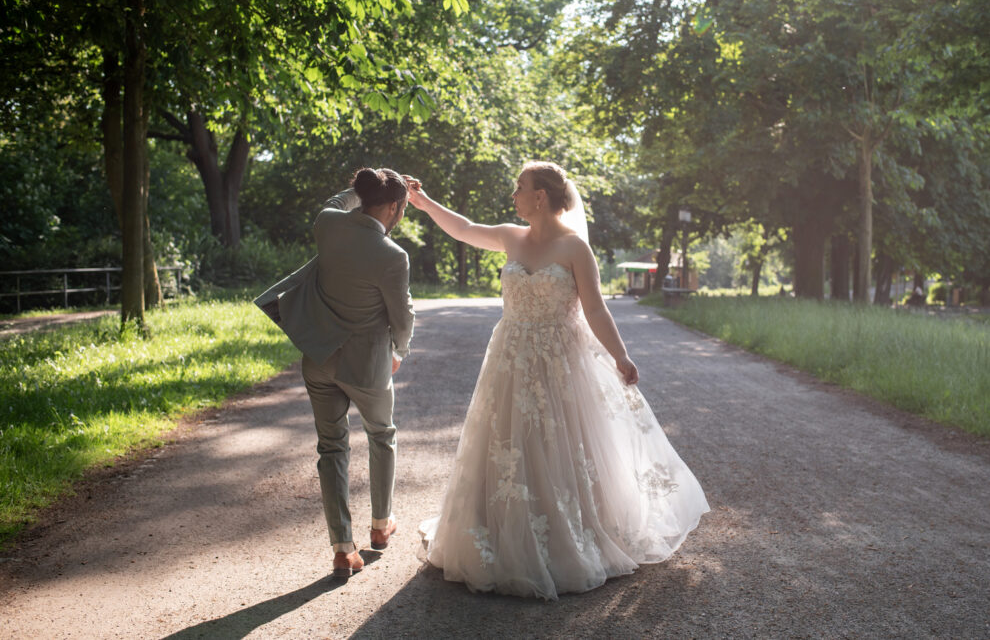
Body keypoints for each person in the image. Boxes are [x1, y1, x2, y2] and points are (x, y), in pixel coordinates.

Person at [410, 162, 709, 600]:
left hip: (559, 361)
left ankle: (569, 537)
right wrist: (422, 201)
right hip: (510, 357)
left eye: (520, 187)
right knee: (508, 442)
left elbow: (596, 310)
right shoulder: (511, 236)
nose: (513, 194)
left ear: (541, 197)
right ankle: (499, 531)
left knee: (557, 445)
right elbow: (464, 228)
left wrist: (620, 355)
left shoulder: (574, 249)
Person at [254, 168, 415, 579]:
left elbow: (335, 203)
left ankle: (343, 549)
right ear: (395, 207)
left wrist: (360, 187)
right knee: (382, 435)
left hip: (319, 360)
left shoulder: (328, 225)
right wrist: (400, 351)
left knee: (331, 448)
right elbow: (402, 315)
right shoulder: (393, 255)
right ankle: (381, 526)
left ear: (362, 196)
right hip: (368, 365)